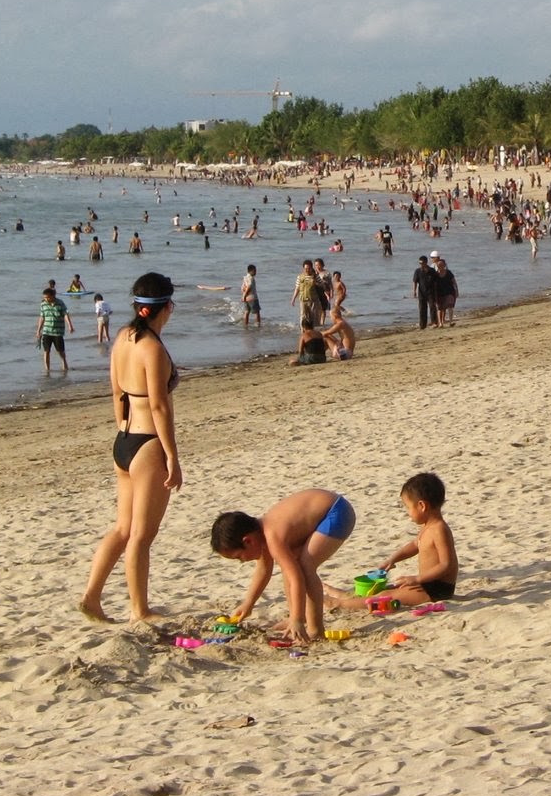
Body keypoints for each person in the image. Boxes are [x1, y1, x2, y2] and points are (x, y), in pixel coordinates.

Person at [80, 273, 182, 624]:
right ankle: (140, 609)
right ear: (166, 307)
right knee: (141, 534)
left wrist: (121, 430)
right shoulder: (152, 348)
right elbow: (159, 407)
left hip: (123, 440)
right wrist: (172, 456)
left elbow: (115, 391)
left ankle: (92, 596)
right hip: (148, 443)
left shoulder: (123, 337)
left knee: (122, 529)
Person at [211, 489, 357, 644]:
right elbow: (264, 570)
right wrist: (248, 603)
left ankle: (315, 630)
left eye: (239, 557)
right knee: (290, 565)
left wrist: (297, 620)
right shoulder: (262, 535)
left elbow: (297, 579)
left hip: (336, 511)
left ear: (248, 541)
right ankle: (295, 616)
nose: (242, 561)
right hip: (326, 510)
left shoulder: (272, 536)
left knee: (304, 568)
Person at [327, 472, 459, 612]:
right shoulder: (428, 525)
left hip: (435, 591)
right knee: (384, 590)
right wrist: (393, 559)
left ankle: (339, 604)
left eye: (408, 507)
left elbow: (446, 565)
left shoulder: (439, 530)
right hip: (426, 584)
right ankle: (347, 597)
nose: (408, 513)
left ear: (422, 506)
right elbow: (416, 545)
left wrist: (417, 578)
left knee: (386, 596)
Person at [37, 286, 74, 371]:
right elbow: (42, 317)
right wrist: (38, 330)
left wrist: (70, 325)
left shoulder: (60, 303)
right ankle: (47, 369)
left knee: (60, 351)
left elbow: (65, 314)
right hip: (46, 331)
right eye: (44, 297)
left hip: (58, 331)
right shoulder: (43, 304)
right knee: (46, 351)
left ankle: (64, 364)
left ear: (52, 295)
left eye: (47, 297)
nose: (46, 299)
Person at [411, 256, 436, 329]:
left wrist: (436, 291)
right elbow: (415, 282)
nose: (421, 264)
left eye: (422, 263)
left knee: (432, 307)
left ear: (426, 262)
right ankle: (422, 325)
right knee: (422, 308)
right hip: (421, 292)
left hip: (431, 292)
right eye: (420, 263)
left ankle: (434, 322)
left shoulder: (432, 271)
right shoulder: (418, 271)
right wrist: (414, 291)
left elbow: (435, 282)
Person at [433, 257, 457, 326]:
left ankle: (451, 322)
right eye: (439, 265)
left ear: (444, 265)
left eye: (442, 265)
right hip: (439, 293)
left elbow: (454, 282)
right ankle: (440, 323)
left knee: (450, 306)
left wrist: (456, 290)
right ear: (437, 266)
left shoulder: (448, 272)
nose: (440, 266)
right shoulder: (436, 274)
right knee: (440, 308)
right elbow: (433, 285)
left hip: (449, 292)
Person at [240, 263, 262, 328]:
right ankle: (258, 325)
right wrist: (245, 295)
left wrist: (244, 295)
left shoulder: (245, 278)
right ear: (251, 271)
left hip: (246, 299)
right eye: (255, 271)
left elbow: (242, 288)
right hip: (252, 298)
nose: (256, 272)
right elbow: (249, 287)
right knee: (257, 312)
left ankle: (245, 325)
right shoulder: (251, 278)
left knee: (246, 312)